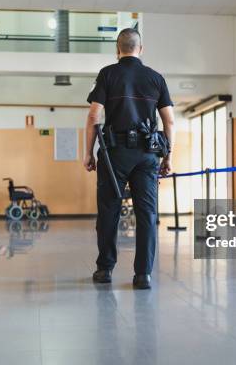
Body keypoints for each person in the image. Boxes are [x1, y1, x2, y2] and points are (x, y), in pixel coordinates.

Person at [83, 28, 175, 290]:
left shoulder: (108, 74)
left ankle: (104, 270)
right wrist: (167, 156)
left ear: (117, 49)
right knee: (146, 213)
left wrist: (88, 152)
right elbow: (169, 120)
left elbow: (93, 116)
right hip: (147, 155)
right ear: (141, 49)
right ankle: (143, 274)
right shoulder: (156, 78)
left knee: (109, 211)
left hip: (114, 155)